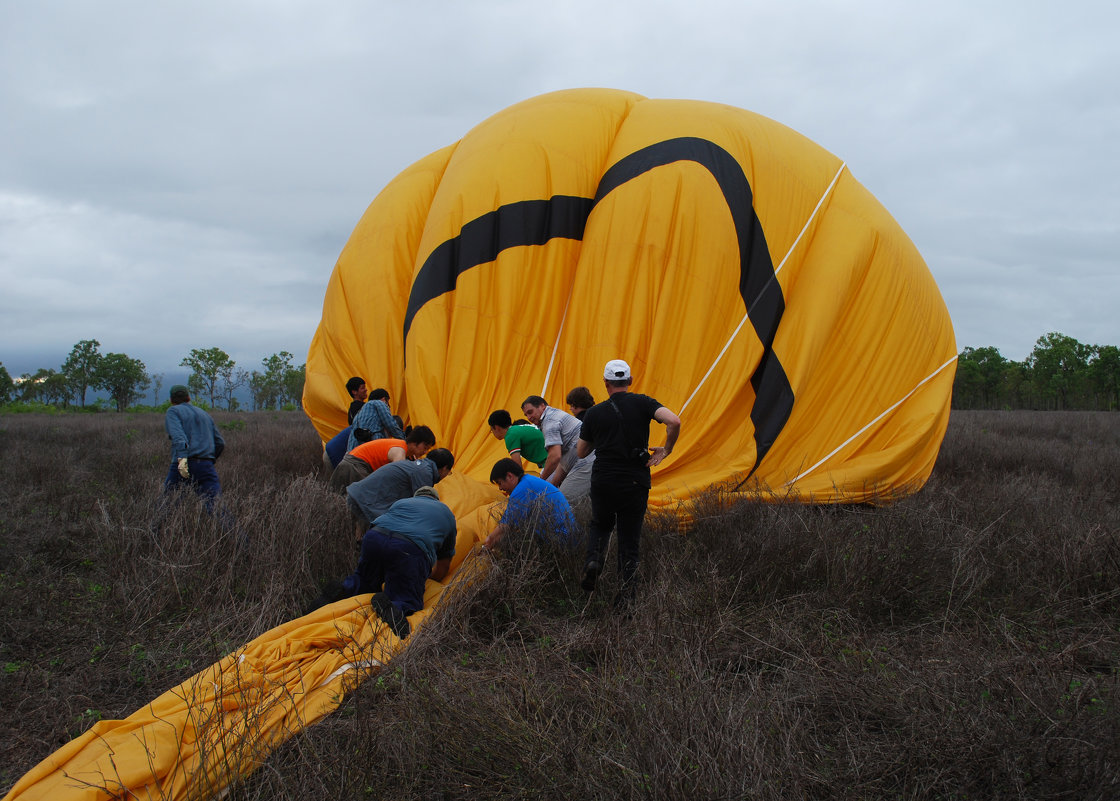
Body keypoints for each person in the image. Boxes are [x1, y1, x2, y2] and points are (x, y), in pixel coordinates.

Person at [576, 359, 681, 602]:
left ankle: (593, 561)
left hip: (603, 479)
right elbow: (674, 421)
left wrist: (599, 436)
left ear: (605, 383)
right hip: (635, 480)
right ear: (630, 381)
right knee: (629, 540)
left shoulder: (593, 413)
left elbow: (581, 452)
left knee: (600, 525)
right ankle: (626, 600)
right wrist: (667, 449)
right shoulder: (644, 402)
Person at [321, 486, 458, 639]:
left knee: (364, 581)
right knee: (406, 598)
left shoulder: (402, 503)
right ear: (435, 499)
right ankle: (395, 608)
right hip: (409, 547)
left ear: (416, 497)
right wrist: (427, 579)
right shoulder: (446, 514)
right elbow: (444, 563)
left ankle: (343, 589)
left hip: (375, 537)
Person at [346, 448, 455, 541]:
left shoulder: (419, 467)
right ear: (444, 468)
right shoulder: (424, 473)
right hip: (365, 503)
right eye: (448, 472)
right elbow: (422, 507)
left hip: (361, 497)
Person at [484, 458, 576, 550]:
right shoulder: (528, 480)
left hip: (561, 541)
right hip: (567, 534)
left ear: (510, 476)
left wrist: (489, 540)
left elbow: (507, 525)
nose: (500, 488)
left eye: (500, 483)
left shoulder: (522, 489)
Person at [163, 384, 225, 511]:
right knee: (217, 508)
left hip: (183, 463)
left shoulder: (173, 411)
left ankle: (154, 531)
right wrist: (209, 460)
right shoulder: (204, 414)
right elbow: (220, 443)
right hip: (206, 466)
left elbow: (180, 440)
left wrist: (182, 464)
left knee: (166, 507)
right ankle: (234, 532)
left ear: (171, 400)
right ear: (188, 397)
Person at [521, 395, 593, 503]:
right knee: (554, 495)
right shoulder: (552, 416)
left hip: (587, 462)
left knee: (561, 501)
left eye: (530, 412)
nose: (529, 417)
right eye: (526, 415)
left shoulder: (549, 422)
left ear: (542, 406)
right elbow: (563, 461)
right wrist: (550, 485)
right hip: (587, 460)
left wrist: (540, 482)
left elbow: (555, 457)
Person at [329, 425, 437, 493]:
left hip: (351, 462)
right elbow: (397, 477)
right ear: (414, 443)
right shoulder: (399, 451)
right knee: (365, 503)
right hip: (356, 466)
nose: (425, 452)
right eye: (425, 448)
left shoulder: (402, 448)